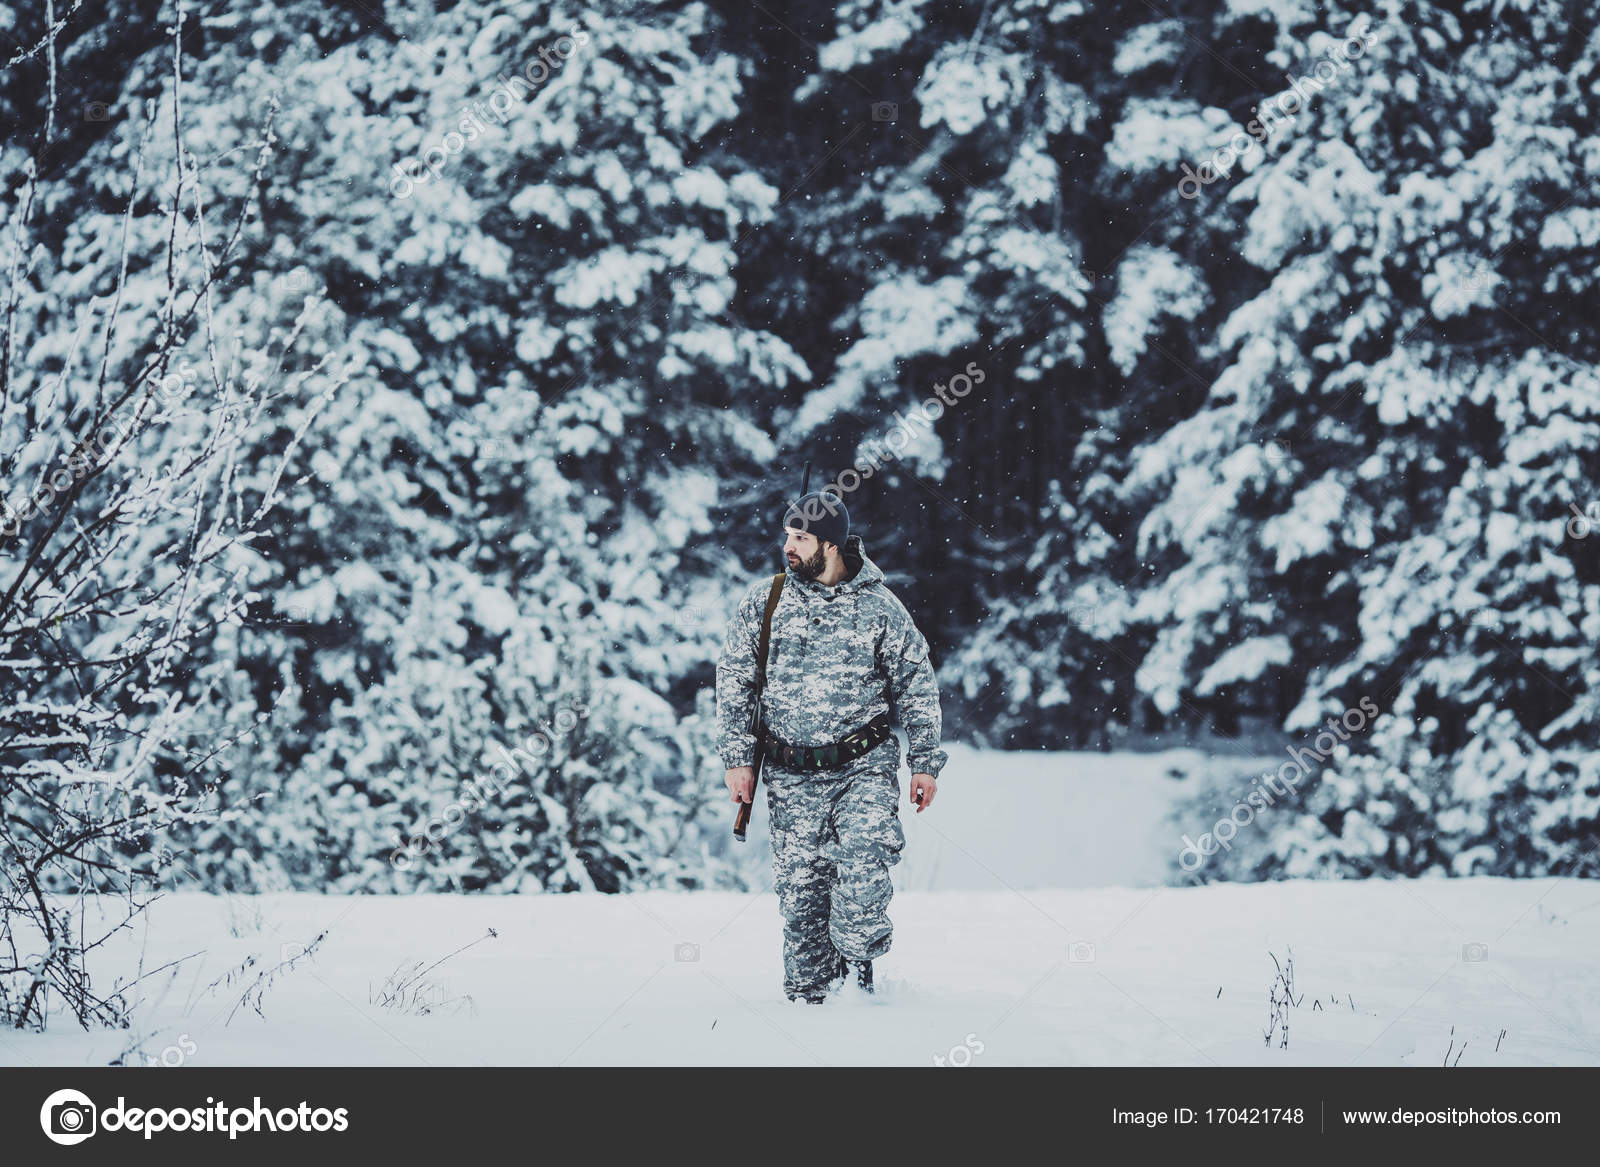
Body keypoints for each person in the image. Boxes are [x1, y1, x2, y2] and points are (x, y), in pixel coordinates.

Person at [715, 484, 948, 1004]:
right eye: (787, 536)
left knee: (862, 876)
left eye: (801, 537)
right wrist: (737, 759)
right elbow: (734, 680)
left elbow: (917, 684)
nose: (789, 547)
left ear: (832, 546)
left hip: (862, 767)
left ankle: (859, 991)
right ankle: (810, 1006)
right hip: (789, 771)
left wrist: (925, 763)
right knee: (801, 900)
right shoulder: (766, 600)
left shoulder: (881, 609)